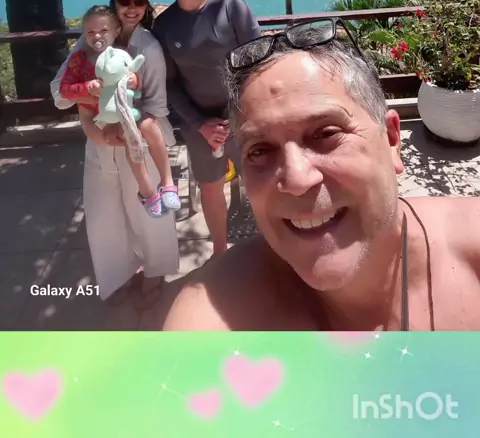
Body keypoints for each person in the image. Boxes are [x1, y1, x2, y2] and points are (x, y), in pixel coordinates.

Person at [163, 20, 480, 331]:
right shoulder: (217, 320)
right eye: (259, 151)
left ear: (391, 140)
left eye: (326, 133)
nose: (296, 180)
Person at [51, 0, 179, 306]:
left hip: (137, 137)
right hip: (99, 141)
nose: (132, 8)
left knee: (147, 213)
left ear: (146, 7)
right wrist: (90, 101)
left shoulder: (147, 48)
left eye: (139, 2)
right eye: (125, 2)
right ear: (115, 6)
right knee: (102, 214)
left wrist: (124, 122)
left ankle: (155, 272)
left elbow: (156, 105)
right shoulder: (91, 40)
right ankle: (117, 276)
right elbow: (58, 93)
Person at [152, 0, 261, 257]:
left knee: (261, 183)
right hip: (198, 125)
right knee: (211, 189)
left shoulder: (231, 6)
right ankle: (220, 255)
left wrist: (236, 116)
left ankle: (273, 249)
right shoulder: (164, 26)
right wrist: (201, 124)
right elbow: (171, 84)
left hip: (244, 118)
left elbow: (257, 63)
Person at [59, 3, 181, 217]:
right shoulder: (79, 59)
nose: (97, 36)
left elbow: (136, 82)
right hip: (100, 116)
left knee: (150, 128)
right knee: (128, 141)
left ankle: (167, 182)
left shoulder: (122, 55)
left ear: (116, 31)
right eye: (91, 32)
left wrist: (134, 80)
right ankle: (147, 191)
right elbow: (64, 90)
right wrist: (87, 88)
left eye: (103, 30)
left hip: (126, 110)